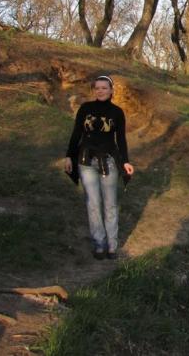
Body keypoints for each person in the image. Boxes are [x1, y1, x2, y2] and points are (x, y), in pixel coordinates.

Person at [64, 75, 134, 260]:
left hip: (109, 161)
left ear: (111, 90)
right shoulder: (85, 109)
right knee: (93, 203)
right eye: (97, 88)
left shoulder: (117, 112)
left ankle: (112, 245)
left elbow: (121, 139)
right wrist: (69, 156)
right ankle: (99, 244)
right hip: (86, 161)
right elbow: (76, 133)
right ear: (94, 90)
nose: (100, 91)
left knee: (110, 204)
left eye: (104, 88)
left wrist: (125, 161)